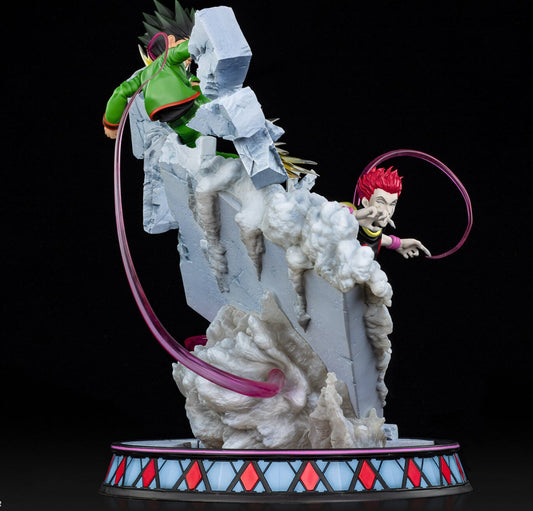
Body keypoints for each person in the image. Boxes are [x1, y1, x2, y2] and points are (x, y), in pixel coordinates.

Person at [102, 1, 209, 148]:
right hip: (176, 115)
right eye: (186, 41)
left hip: (170, 119)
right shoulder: (169, 58)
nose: (191, 58)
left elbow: (121, 92)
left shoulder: (147, 75)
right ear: (170, 41)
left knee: (196, 144)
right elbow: (185, 49)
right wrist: (205, 40)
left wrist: (111, 123)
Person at [343, 166, 431, 258]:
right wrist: (353, 215)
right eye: (381, 202)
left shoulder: (372, 230)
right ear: (365, 202)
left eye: (392, 204)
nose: (388, 211)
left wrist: (399, 243)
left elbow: (373, 237)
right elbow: (334, 211)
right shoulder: (345, 215)